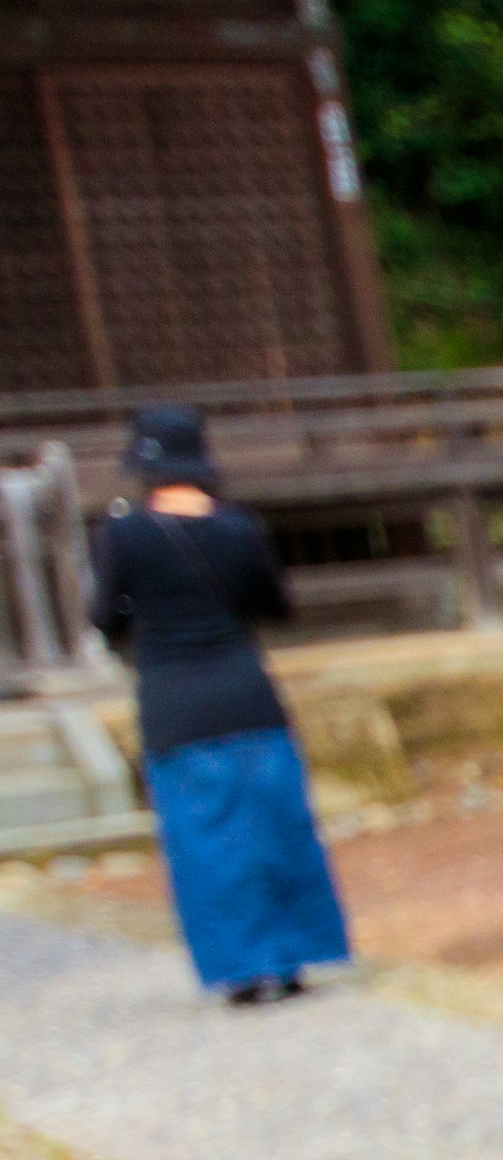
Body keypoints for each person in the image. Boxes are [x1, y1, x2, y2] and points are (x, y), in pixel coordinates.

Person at [92, 404, 350, 1006]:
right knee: (277, 827)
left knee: (207, 842)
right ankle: (293, 961)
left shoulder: (124, 534)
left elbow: (104, 617)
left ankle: (241, 971)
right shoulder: (239, 529)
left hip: (174, 705)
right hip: (248, 696)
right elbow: (276, 606)